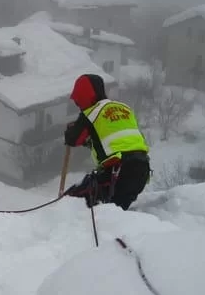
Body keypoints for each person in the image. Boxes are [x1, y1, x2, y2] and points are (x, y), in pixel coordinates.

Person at [63, 73, 151, 210]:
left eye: (78, 101)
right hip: (142, 171)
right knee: (116, 211)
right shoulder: (124, 108)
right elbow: (114, 136)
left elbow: (73, 139)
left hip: (118, 173)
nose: (78, 106)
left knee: (72, 200)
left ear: (85, 95)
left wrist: (72, 130)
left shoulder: (90, 114)